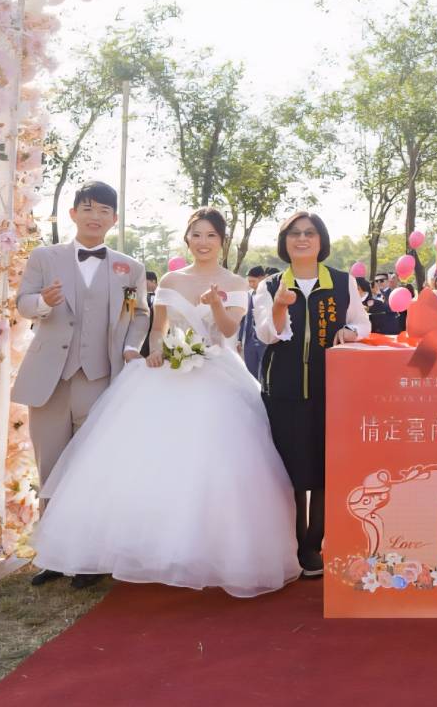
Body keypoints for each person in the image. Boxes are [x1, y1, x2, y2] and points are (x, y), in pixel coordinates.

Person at [31, 207, 300, 596]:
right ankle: (122, 548)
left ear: (222, 240)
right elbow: (158, 328)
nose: (203, 242)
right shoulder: (172, 279)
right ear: (187, 239)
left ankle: (205, 551)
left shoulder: (235, 281)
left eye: (211, 235)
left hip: (217, 374)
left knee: (214, 465)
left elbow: (229, 330)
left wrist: (216, 304)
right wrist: (157, 349)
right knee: (145, 462)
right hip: (169, 370)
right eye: (196, 235)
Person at [13, 181, 151, 589]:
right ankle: (53, 554)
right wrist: (43, 302)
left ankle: (90, 556)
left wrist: (130, 347)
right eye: (87, 208)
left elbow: (137, 314)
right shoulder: (45, 257)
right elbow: (23, 302)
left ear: (114, 219)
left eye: (103, 210)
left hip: (100, 377)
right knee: (50, 464)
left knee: (91, 467)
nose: (95, 216)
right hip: (49, 378)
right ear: (73, 214)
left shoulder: (129, 269)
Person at [254, 211, 370, 578]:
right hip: (282, 389)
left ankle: (313, 544)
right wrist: (279, 305)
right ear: (284, 242)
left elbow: (363, 322)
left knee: (322, 466)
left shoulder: (341, 281)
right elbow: (266, 335)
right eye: (294, 233)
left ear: (321, 241)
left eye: (309, 233)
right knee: (287, 468)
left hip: (329, 388)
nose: (302, 239)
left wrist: (351, 332)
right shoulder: (269, 285)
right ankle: (291, 540)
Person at [235, 265, 268, 380]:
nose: (251, 284)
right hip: (249, 340)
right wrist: (240, 339)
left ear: (263, 278)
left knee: (264, 373)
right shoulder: (249, 295)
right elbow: (244, 319)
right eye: (249, 282)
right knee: (250, 372)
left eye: (253, 281)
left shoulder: (271, 294)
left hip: (265, 342)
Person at [138, 270, 159, 358]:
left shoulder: (163, 293)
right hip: (144, 339)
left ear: (153, 281)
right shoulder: (142, 295)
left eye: (145, 282)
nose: (143, 284)